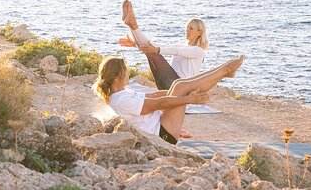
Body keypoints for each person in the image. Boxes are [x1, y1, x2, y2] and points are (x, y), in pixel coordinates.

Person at [94, 54, 244, 144]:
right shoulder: (120, 99)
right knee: (182, 88)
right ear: (116, 77)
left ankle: (225, 72)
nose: (128, 73)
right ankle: (225, 71)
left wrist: (175, 92)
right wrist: (189, 99)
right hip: (162, 137)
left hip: (161, 127)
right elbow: (159, 104)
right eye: (125, 71)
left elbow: (155, 96)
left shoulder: (122, 92)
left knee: (178, 85)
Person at [119, 0, 208, 90]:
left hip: (182, 88)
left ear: (199, 32)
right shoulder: (182, 45)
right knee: (150, 50)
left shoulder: (199, 51)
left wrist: (157, 50)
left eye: (191, 28)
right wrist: (135, 44)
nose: (187, 30)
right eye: (187, 28)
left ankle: (133, 24)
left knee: (153, 52)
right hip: (170, 84)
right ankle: (131, 25)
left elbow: (176, 51)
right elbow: (159, 46)